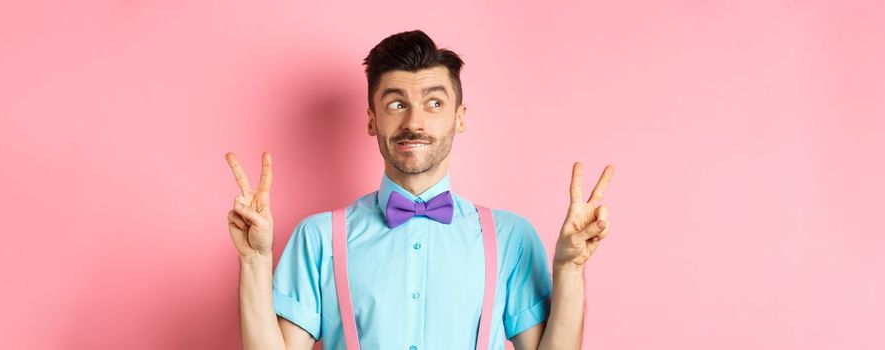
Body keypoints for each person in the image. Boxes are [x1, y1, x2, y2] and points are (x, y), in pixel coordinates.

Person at [225, 30, 614, 350]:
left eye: (433, 103)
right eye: (396, 104)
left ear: (459, 118)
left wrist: (570, 269)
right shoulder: (319, 237)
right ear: (371, 120)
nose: (415, 122)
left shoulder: (511, 237)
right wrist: (254, 261)